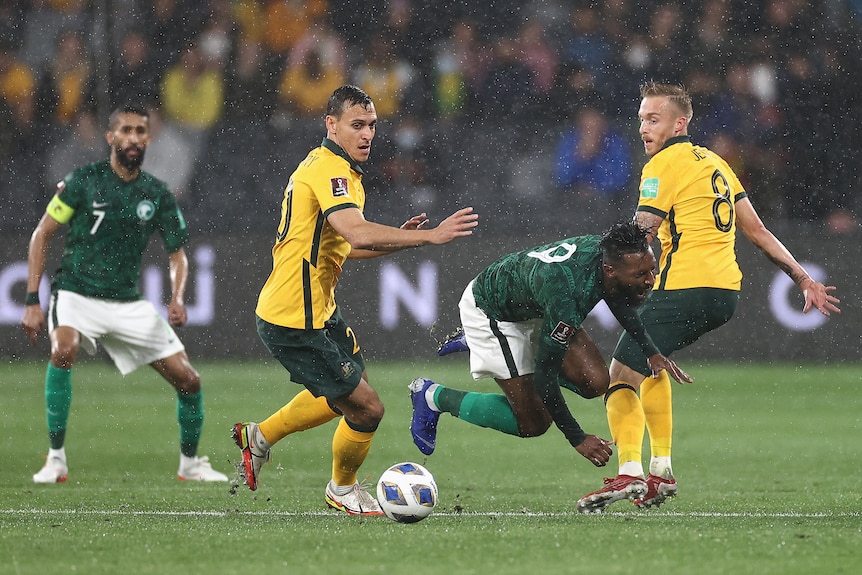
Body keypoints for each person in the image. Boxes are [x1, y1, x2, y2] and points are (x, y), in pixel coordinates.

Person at [576, 82, 841, 514]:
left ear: (680, 123)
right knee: (651, 362)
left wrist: (587, 263)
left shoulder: (663, 165)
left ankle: (630, 472)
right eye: (642, 118)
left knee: (620, 376)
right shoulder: (715, 162)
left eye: (653, 119)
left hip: (683, 284)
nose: (644, 127)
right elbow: (756, 230)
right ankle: (660, 471)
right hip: (723, 292)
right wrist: (803, 278)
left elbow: (640, 233)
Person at [231, 85, 479, 516]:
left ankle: (261, 437)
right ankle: (342, 490)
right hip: (294, 318)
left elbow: (349, 245)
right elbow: (359, 232)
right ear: (331, 124)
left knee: (345, 393)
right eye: (357, 125)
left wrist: (406, 241)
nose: (367, 135)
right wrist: (430, 235)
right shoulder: (331, 172)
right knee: (366, 409)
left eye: (372, 126)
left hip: (318, 311)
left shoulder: (334, 168)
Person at [21, 103, 228, 484]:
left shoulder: (157, 193)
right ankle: (55, 459)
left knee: (189, 380)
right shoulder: (83, 181)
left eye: (140, 131)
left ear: (148, 138)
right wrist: (33, 299)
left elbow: (177, 254)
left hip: (126, 302)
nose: (133, 137)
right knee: (63, 349)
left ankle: (190, 464)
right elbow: (41, 234)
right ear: (111, 137)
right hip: (76, 292)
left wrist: (177, 296)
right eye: (126, 130)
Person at [409, 221, 691, 468]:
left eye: (651, 270)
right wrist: (577, 437)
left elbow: (616, 296)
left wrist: (651, 352)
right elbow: (545, 377)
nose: (650, 280)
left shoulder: (607, 255)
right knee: (534, 423)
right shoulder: (567, 297)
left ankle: (504, 359)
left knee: (595, 382)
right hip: (492, 313)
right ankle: (433, 395)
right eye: (641, 275)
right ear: (610, 270)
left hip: (536, 306)